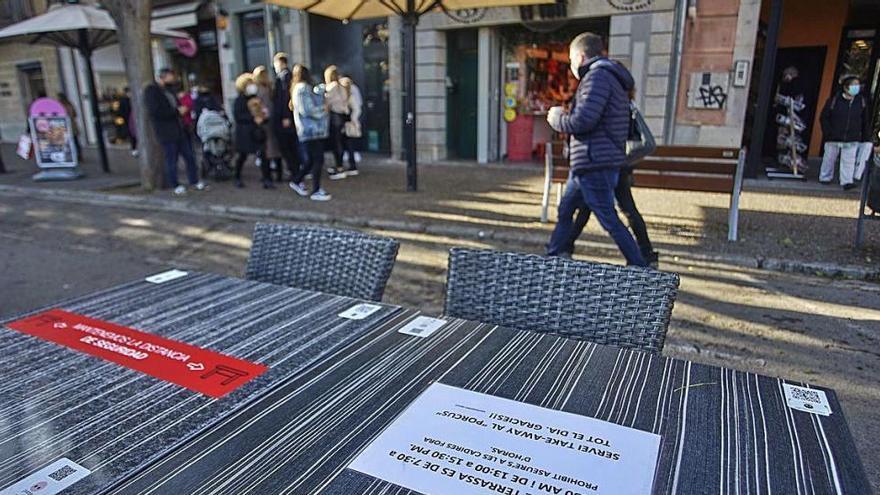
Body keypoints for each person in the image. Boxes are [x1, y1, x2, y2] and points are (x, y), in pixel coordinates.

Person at [545, 32, 647, 267]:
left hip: (595, 161)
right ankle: (554, 256)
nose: (571, 66)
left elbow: (583, 121)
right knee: (566, 209)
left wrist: (557, 119)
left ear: (580, 56)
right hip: (590, 162)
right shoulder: (608, 77)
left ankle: (639, 265)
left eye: (571, 60)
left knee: (607, 217)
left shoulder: (597, 77)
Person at [144, 68, 206, 195]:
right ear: (163, 77)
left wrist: (181, 111)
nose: (172, 80)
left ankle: (194, 181)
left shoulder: (170, 90)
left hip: (180, 129)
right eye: (170, 77)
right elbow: (155, 111)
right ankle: (175, 184)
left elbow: (177, 105)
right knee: (171, 159)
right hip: (166, 131)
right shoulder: (152, 91)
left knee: (189, 156)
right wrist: (177, 112)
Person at [819, 75, 874, 190]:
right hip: (833, 136)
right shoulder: (834, 101)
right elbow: (824, 117)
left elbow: (865, 120)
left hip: (852, 137)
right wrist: (828, 132)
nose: (856, 87)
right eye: (853, 84)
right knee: (829, 158)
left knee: (849, 160)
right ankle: (825, 177)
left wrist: (865, 137)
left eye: (857, 85)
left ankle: (847, 181)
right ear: (845, 87)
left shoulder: (861, 102)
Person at [288, 64, 331, 201]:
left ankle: (297, 180)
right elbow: (307, 110)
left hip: (310, 130)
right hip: (311, 130)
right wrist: (323, 110)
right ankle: (316, 189)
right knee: (317, 159)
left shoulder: (300, 88)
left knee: (312, 160)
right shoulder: (302, 89)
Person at [232, 72, 272, 189]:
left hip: (256, 132)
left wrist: (264, 117)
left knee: (263, 155)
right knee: (242, 156)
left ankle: (267, 179)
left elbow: (262, 112)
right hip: (245, 132)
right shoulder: (239, 100)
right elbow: (238, 116)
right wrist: (253, 118)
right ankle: (237, 177)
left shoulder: (256, 98)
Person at [272, 52, 300, 183]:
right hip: (286, 117)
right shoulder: (286, 77)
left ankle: (294, 171)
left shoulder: (284, 77)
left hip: (284, 118)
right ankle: (295, 170)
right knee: (290, 146)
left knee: (287, 146)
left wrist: (285, 116)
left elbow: (284, 98)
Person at [253, 65, 283, 183]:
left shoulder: (259, 90)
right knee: (275, 148)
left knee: (266, 149)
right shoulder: (270, 87)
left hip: (264, 121)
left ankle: (267, 175)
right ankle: (279, 174)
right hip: (273, 120)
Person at [323, 65, 349, 180]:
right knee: (340, 141)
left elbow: (327, 102)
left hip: (334, 116)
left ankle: (339, 167)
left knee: (335, 142)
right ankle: (340, 165)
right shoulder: (341, 87)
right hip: (341, 116)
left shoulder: (331, 87)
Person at [339, 76, 362, 175]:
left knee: (348, 145)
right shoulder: (345, 96)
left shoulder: (349, 97)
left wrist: (352, 119)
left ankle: (351, 166)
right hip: (345, 122)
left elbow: (357, 109)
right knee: (347, 145)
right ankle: (350, 165)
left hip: (347, 123)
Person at [57, 92, 81, 159]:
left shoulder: (60, 106)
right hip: (72, 126)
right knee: (75, 141)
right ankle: (78, 155)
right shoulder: (70, 104)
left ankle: (70, 156)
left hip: (65, 126)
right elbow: (75, 114)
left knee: (67, 142)